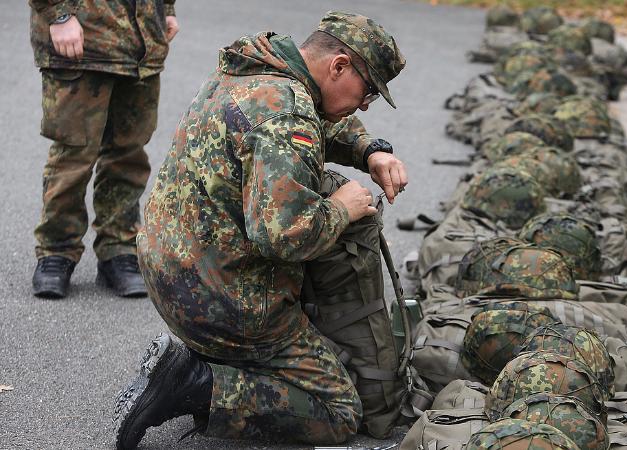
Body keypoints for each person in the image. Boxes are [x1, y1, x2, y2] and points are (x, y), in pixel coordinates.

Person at [112, 11, 408, 449]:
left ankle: (207, 358)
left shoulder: (256, 66)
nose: (365, 105)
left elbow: (320, 113)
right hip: (225, 305)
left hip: (170, 271)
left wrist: (369, 149)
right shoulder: (286, 115)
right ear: (339, 66)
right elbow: (285, 235)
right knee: (341, 411)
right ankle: (197, 383)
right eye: (367, 93)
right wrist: (343, 210)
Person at [29, 0, 180, 299]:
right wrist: (57, 14)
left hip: (142, 42)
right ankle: (56, 251)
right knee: (73, 156)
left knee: (129, 154)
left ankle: (119, 249)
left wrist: (167, 8)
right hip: (82, 39)